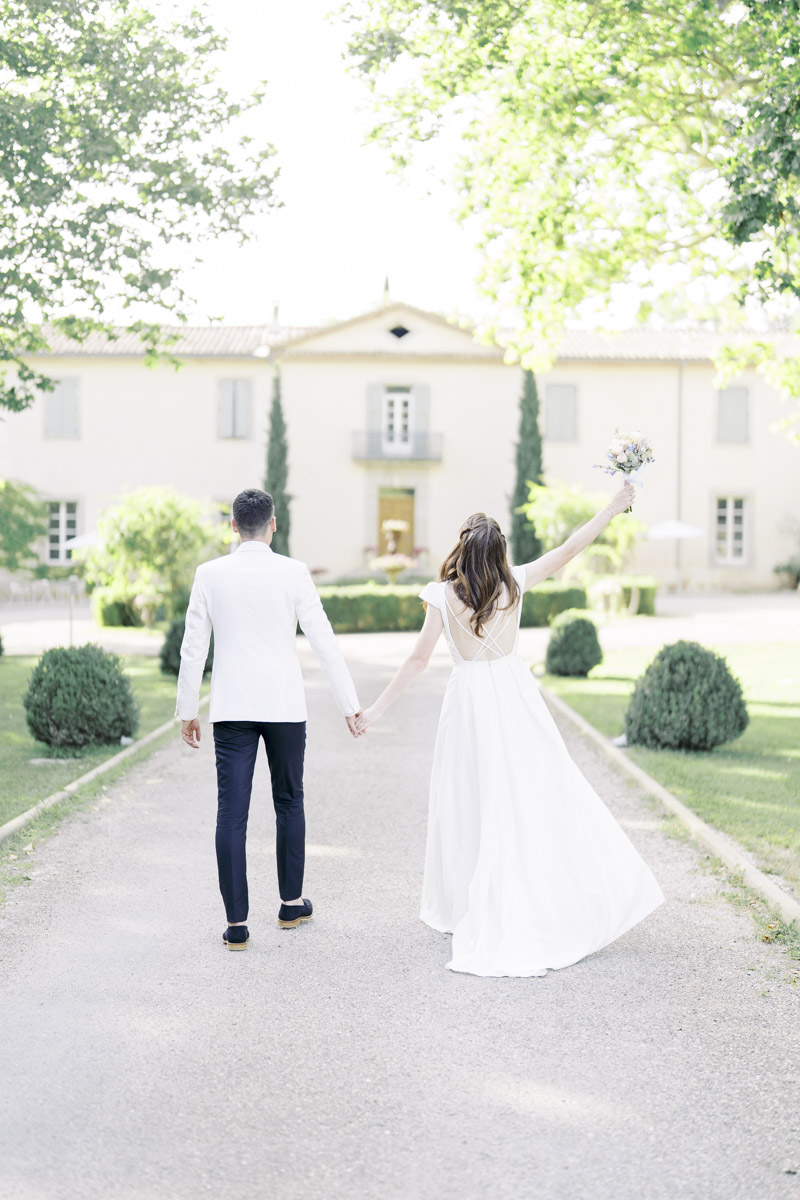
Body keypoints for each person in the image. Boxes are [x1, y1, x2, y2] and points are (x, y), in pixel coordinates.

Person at [355, 481, 664, 977]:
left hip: (468, 704)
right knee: (530, 794)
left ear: (462, 548)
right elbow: (571, 548)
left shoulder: (442, 597)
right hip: (515, 698)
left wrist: (375, 710)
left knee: (467, 800)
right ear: (499, 551)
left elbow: (417, 661)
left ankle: (468, 901)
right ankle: (530, 890)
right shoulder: (515, 583)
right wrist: (612, 506)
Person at [176, 488, 362, 951]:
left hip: (232, 708)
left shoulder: (210, 573)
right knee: (290, 801)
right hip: (284, 708)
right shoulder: (294, 572)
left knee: (231, 812)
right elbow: (323, 639)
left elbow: (193, 647)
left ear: (233, 526)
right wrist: (349, 704)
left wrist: (187, 710)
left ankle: (236, 925)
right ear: (274, 524)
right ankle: (290, 904)